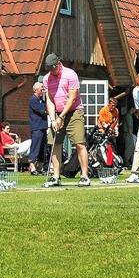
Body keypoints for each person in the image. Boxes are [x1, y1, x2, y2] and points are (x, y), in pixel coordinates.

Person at [42, 54, 90, 187]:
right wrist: (52, 119)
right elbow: (50, 100)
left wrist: (61, 117)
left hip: (74, 111)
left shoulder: (70, 74)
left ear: (58, 64)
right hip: (56, 113)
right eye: (49, 69)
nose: (52, 72)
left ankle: (84, 176)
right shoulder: (47, 79)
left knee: (79, 143)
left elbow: (72, 98)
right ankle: (56, 177)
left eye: (53, 69)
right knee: (55, 143)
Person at [27, 82, 49, 175]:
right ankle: (32, 167)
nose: (43, 90)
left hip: (43, 126)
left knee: (42, 148)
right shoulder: (33, 100)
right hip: (36, 127)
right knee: (35, 146)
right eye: (41, 88)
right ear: (36, 90)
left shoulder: (42, 100)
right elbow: (43, 111)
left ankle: (40, 167)